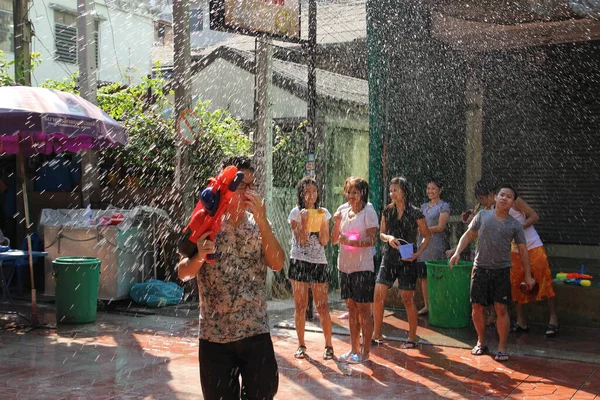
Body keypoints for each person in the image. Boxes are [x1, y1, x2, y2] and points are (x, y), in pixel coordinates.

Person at [177, 155, 285, 400]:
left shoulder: (258, 225)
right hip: (215, 337)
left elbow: (278, 264)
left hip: (255, 332)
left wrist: (263, 221)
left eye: (252, 185)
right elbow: (183, 272)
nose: (249, 192)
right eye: (243, 185)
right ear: (226, 187)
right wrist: (200, 256)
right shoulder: (206, 223)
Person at [450, 184, 535, 362]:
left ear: (513, 203)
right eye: (502, 195)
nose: (504, 198)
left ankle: (502, 346)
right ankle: (481, 341)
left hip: (502, 271)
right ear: (495, 198)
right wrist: (457, 252)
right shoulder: (482, 216)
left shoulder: (515, 225)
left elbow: (523, 250)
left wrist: (528, 275)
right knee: (477, 307)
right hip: (480, 268)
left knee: (501, 309)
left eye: (509, 196)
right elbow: (468, 235)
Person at [372, 177, 431, 348]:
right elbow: (381, 233)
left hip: (407, 257)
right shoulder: (387, 211)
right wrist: (389, 238)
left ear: (404, 191)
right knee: (378, 294)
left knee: (407, 298)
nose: (392, 193)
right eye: (390, 190)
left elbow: (427, 235)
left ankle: (412, 338)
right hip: (389, 256)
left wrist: (418, 253)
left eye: (395, 190)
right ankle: (377, 333)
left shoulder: (415, 212)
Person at [331, 176, 379, 363]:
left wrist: (353, 242)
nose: (351, 196)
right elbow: (335, 240)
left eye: (355, 192)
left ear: (362, 194)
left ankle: (365, 352)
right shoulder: (342, 210)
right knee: (351, 309)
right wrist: (335, 223)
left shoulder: (369, 211)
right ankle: (353, 349)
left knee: (363, 310)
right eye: (348, 192)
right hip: (345, 266)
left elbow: (372, 240)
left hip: (363, 267)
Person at [288, 177, 334, 360]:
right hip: (299, 259)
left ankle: (329, 345)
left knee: (322, 305)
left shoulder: (324, 213)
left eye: (314, 192)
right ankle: (301, 344)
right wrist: (305, 221)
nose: (310, 196)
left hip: (318, 261)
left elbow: (324, 241)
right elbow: (301, 239)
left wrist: (322, 222)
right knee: (300, 305)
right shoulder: (295, 213)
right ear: (301, 193)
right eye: (307, 192)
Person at [509, 198, 559, 337]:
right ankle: (521, 322)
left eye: (483, 199)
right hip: (515, 250)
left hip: (532, 247)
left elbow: (535, 216)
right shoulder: (490, 210)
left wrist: (520, 228)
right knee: (516, 284)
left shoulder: (515, 201)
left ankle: (553, 319)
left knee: (544, 282)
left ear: (491, 194)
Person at [416, 179, 450, 316]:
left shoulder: (444, 206)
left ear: (440, 190)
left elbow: (441, 227)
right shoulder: (423, 206)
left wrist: (424, 229)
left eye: (433, 188)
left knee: (437, 275)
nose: (430, 191)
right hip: (422, 245)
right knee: (424, 277)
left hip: (436, 245)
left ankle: (439, 304)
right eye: (428, 188)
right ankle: (427, 305)